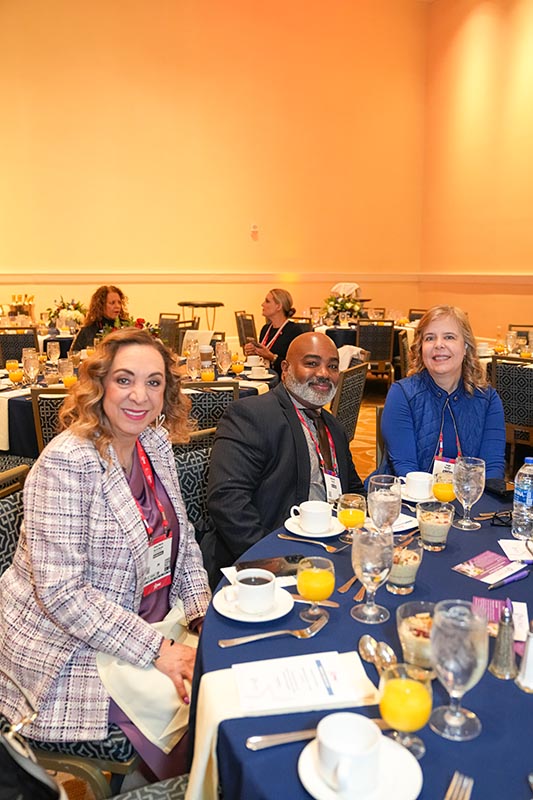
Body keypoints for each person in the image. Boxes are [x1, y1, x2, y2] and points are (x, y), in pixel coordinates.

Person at [0, 328, 211, 781]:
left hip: (155, 615)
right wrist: (160, 650)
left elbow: (184, 539)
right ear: (99, 386)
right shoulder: (67, 462)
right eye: (124, 379)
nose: (140, 395)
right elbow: (62, 595)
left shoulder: (153, 443)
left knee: (222, 674)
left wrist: (200, 614)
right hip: (72, 641)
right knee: (194, 701)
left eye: (154, 382)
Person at [203, 332, 364, 586]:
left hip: (328, 551)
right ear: (286, 369)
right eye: (311, 363)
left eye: (332, 366)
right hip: (270, 560)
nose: (324, 373)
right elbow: (228, 502)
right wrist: (278, 564)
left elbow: (353, 490)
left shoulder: (333, 426)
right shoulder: (252, 415)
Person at [378, 305, 505, 479]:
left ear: (466, 346)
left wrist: (473, 496)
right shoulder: (402, 394)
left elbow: (492, 469)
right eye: (430, 338)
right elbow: (406, 469)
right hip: (409, 492)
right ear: (421, 347)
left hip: (468, 493)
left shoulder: (487, 399)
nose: (438, 345)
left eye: (449, 337)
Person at [244, 288, 305, 376]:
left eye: (267, 301)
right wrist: (254, 352)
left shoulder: (294, 331)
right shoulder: (265, 329)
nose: (262, 304)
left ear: (278, 306)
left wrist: (272, 357)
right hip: (263, 376)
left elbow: (296, 366)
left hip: (281, 380)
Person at [71, 284, 129, 350]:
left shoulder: (126, 327)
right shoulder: (88, 331)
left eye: (119, 302)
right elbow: (74, 354)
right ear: (101, 306)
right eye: (112, 303)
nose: (117, 306)